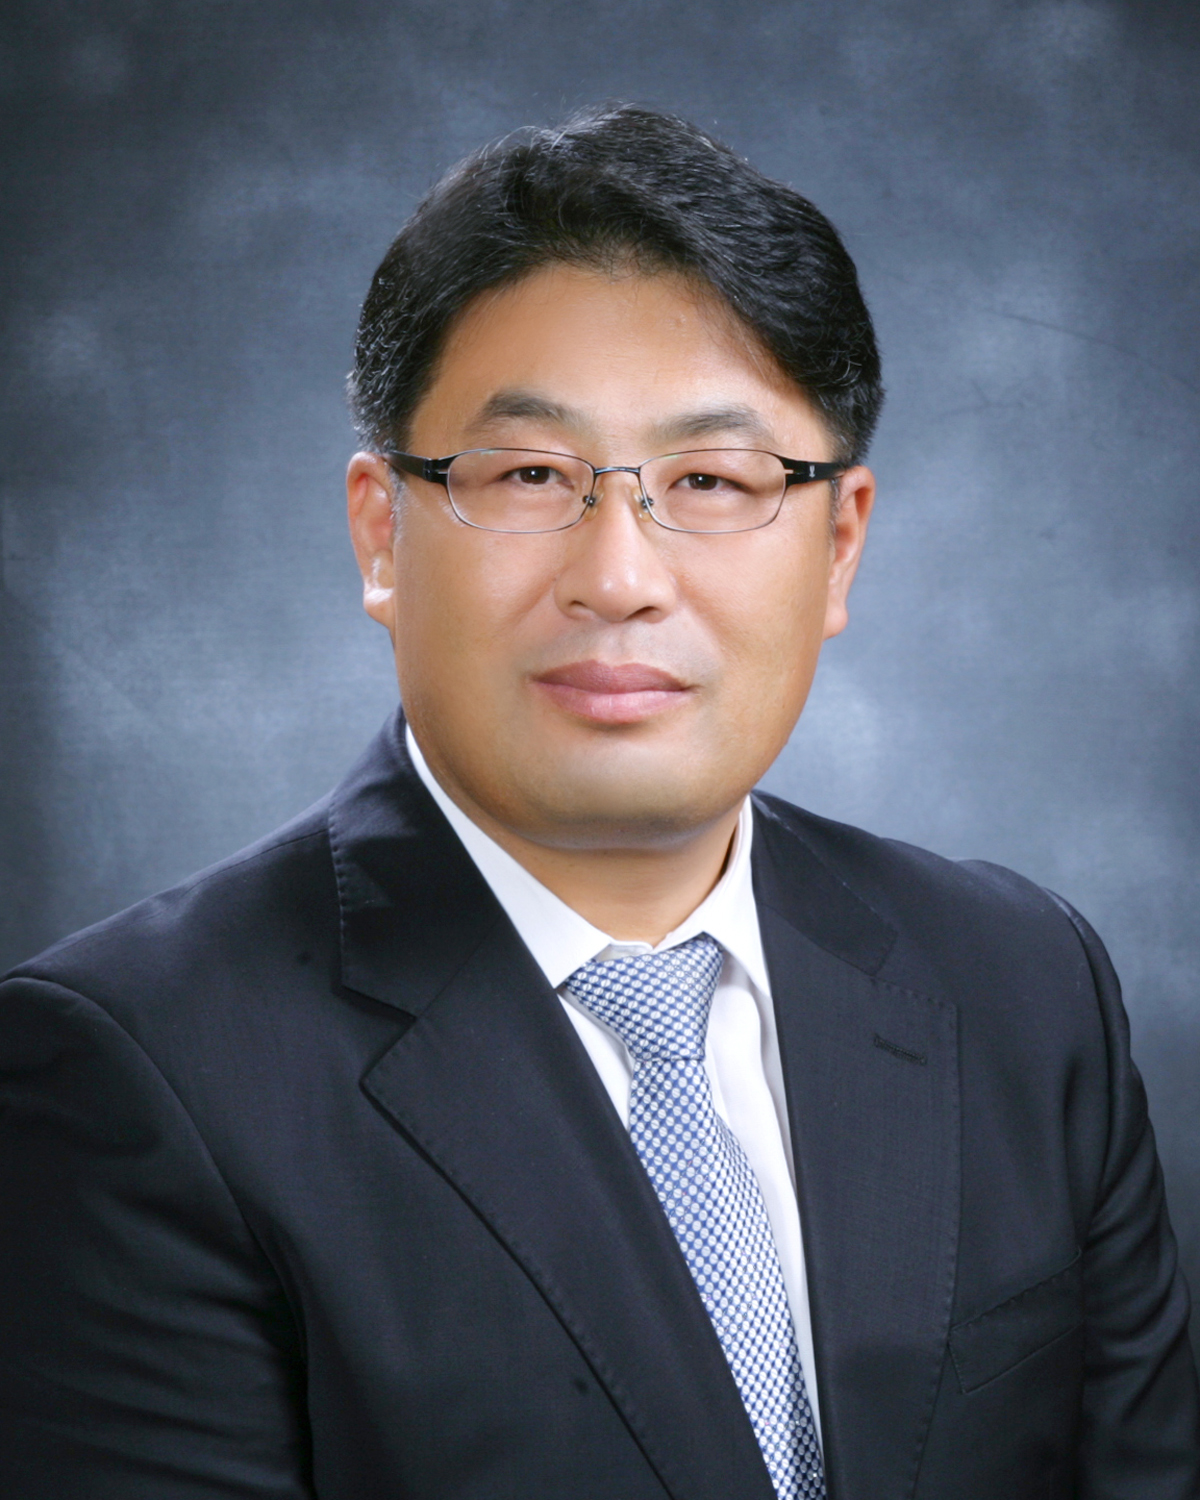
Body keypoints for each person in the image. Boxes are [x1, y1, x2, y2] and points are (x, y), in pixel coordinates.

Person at [1, 103, 1197, 1500]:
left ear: (839, 546)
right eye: (530, 475)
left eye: (713, 480)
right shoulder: (131, 1074)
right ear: (382, 532)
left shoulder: (1024, 988)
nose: (620, 577)